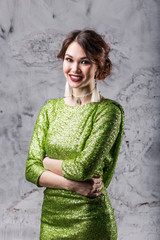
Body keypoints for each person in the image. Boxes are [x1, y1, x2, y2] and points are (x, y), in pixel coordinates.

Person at [25, 29, 125, 240]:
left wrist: (46, 162)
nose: (75, 69)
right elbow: (30, 170)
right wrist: (74, 186)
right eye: (69, 59)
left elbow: (82, 168)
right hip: (51, 221)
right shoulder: (49, 110)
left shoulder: (108, 112)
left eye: (85, 61)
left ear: (99, 66)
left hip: (90, 222)